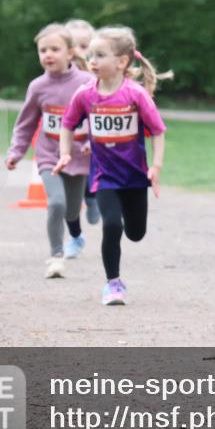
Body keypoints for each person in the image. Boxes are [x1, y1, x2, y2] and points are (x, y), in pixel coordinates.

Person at [55, 26, 171, 306]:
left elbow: (157, 131)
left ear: (122, 61)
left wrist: (155, 167)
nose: (92, 60)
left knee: (135, 233)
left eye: (100, 55)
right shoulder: (85, 94)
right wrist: (65, 153)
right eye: (91, 54)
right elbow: (68, 124)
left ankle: (122, 250)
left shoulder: (136, 95)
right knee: (111, 225)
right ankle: (113, 284)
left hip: (134, 177)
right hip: (104, 177)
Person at [6, 24, 95, 279]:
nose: (48, 54)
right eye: (43, 50)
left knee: (71, 210)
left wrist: (93, 141)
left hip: (79, 155)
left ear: (70, 53)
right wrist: (16, 152)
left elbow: (97, 116)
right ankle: (56, 256)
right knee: (56, 202)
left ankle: (78, 227)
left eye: (55, 49)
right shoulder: (37, 87)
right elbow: (26, 123)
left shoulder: (87, 83)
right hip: (49, 154)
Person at [65, 19, 101, 225]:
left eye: (84, 46)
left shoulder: (94, 73)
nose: (79, 51)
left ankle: (92, 197)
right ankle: (76, 202)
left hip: (92, 131)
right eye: (74, 46)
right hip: (70, 131)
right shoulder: (61, 74)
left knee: (92, 167)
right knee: (72, 169)